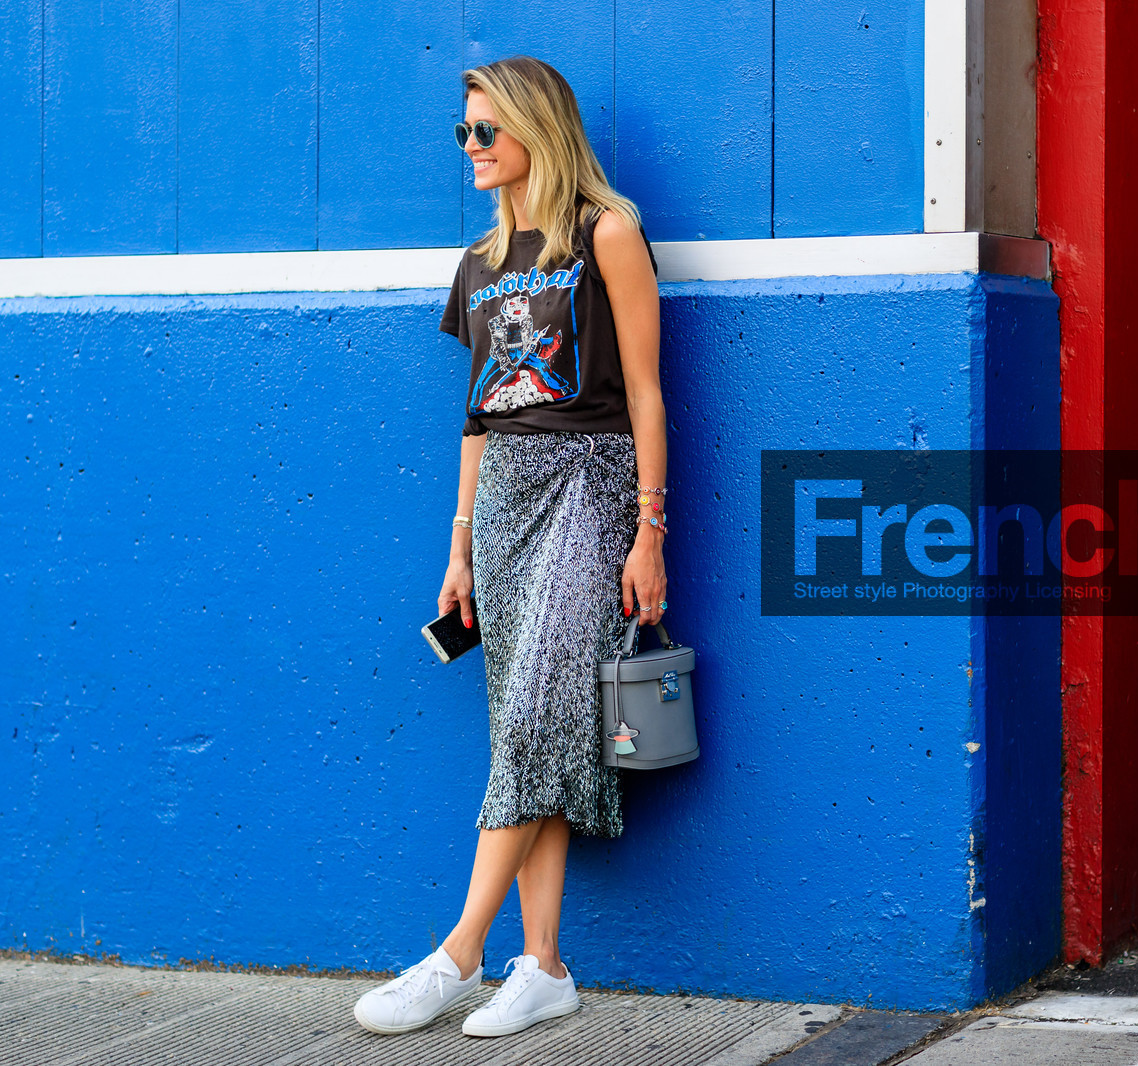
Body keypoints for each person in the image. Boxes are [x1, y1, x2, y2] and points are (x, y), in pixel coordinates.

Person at [353, 55, 667, 1039]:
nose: (472, 149)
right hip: (502, 505)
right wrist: (458, 545)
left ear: (538, 128)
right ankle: (544, 966)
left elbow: (649, 391)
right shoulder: (481, 262)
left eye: (487, 131)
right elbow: (479, 418)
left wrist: (650, 527)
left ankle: (457, 952)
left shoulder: (604, 232)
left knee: (535, 716)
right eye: (464, 133)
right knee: (525, 726)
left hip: (591, 483)